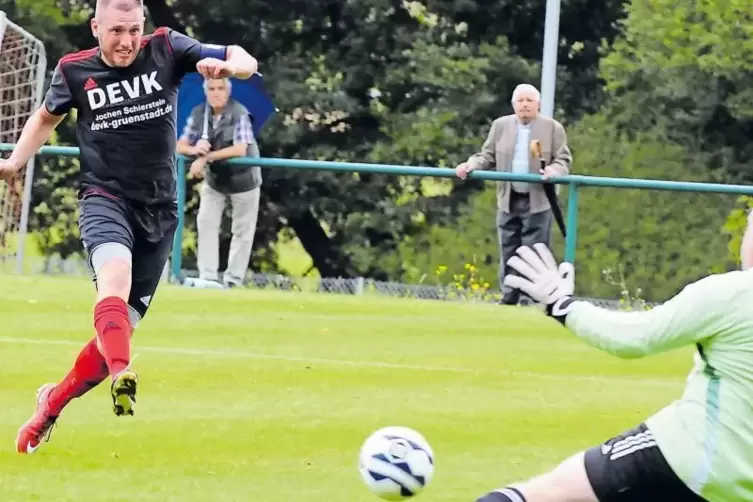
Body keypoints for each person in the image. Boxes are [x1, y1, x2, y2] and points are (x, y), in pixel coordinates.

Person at [0, 0, 258, 454]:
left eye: (134, 29)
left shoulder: (167, 48)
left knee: (115, 330)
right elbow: (45, 117)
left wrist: (233, 68)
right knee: (112, 288)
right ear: (96, 25)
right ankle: (123, 373)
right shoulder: (73, 70)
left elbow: (243, 55)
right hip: (104, 199)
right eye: (116, 30)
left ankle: (52, 405)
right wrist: (16, 162)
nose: (126, 41)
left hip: (159, 211)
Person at [474, 224, 753, 502]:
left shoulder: (734, 294)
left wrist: (561, 305)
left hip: (688, 459)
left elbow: (633, 338)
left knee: (544, 494)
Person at [455, 84, 572, 306]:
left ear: (538, 104)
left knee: (534, 249)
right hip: (508, 197)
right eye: (521, 100)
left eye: (529, 100)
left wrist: (552, 171)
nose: (525, 105)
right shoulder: (501, 126)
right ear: (513, 104)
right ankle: (509, 293)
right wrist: (469, 165)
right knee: (508, 245)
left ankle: (531, 295)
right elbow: (486, 156)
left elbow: (563, 160)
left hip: (538, 199)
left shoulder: (552, 128)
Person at [176, 77, 261, 288]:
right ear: (206, 92)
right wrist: (196, 149)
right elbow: (180, 145)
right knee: (205, 222)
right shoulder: (199, 113)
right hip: (215, 180)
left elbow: (240, 149)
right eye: (212, 88)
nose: (216, 93)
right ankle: (208, 277)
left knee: (242, 230)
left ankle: (233, 280)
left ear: (228, 91)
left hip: (244, 180)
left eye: (220, 88)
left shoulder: (240, 112)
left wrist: (206, 157)